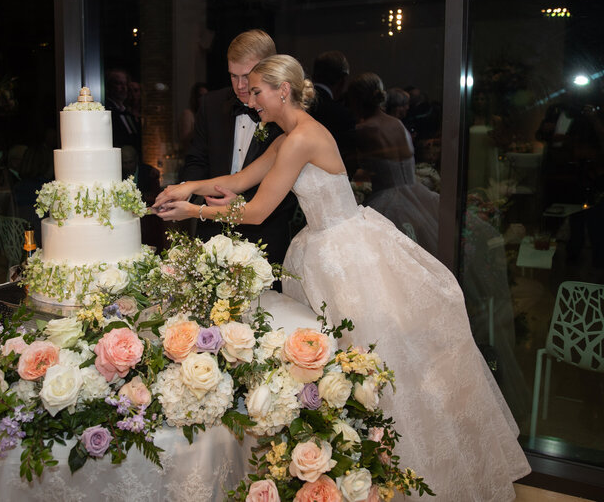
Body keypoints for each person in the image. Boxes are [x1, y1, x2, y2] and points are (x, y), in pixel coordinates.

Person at [153, 54, 530, 501]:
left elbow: (255, 211)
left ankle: (401, 471)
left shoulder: (300, 140)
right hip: (324, 248)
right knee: (345, 362)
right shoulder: (288, 135)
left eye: (256, 91)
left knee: (373, 359)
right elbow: (239, 180)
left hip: (347, 254)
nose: (249, 99)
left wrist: (191, 210)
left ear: (282, 91)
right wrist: (187, 187)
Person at [180, 29, 296, 266]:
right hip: (212, 231)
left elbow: (293, 189)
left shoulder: (287, 119)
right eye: (233, 76)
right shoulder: (211, 104)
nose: (241, 86)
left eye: (248, 76)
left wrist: (241, 205)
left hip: (265, 238)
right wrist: (186, 191)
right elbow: (198, 160)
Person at [347, 73, 439, 256]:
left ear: (356, 101)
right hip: (416, 193)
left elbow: (353, 165)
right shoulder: (397, 123)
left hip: (387, 200)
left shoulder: (365, 130)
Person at [309, 50, 359, 178]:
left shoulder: (298, 105)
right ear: (342, 81)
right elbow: (349, 158)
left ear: (314, 75)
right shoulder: (343, 115)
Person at [105, 69, 142, 153]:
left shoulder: (127, 112)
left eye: (125, 84)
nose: (124, 88)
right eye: (119, 83)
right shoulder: (107, 111)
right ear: (109, 86)